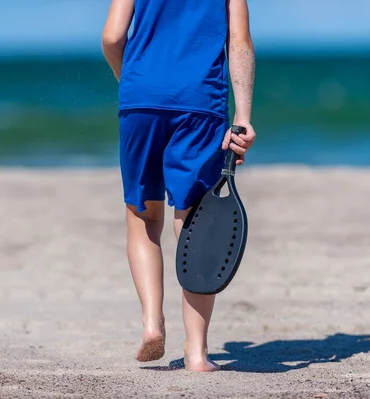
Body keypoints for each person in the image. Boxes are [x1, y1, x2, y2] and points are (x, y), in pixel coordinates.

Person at [101, 0, 256, 372]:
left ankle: (153, 324)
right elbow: (240, 43)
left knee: (143, 217)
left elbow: (112, 36)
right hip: (199, 99)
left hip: (141, 96)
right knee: (193, 219)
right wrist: (243, 116)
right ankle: (197, 354)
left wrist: (134, 82)